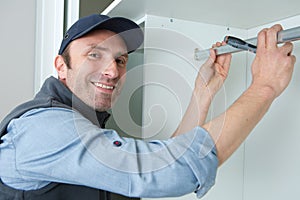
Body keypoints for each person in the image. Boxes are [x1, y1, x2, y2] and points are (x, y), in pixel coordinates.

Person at [0, 13, 296, 200]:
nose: (112, 72)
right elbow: (165, 171)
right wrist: (265, 87)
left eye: (120, 59)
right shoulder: (43, 129)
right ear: (61, 67)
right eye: (94, 55)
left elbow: (158, 162)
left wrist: (203, 92)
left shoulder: (80, 123)